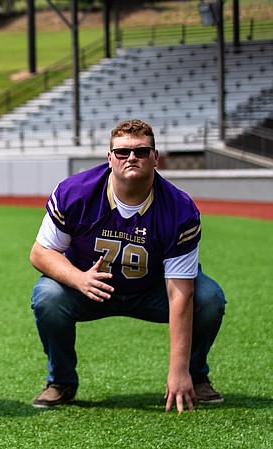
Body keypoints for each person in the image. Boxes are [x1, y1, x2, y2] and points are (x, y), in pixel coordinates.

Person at [29, 119, 226, 412]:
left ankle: (194, 376)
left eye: (141, 151)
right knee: (48, 296)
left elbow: (180, 292)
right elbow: (40, 253)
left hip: (151, 290)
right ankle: (61, 381)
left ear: (155, 158)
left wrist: (177, 369)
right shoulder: (76, 193)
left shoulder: (179, 209)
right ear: (110, 158)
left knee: (209, 298)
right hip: (91, 288)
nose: (131, 157)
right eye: (122, 152)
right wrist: (78, 279)